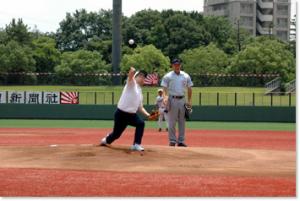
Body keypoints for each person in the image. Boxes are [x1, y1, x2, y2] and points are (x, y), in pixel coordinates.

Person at [100, 67, 150, 151]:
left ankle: (136, 144)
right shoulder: (131, 84)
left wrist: (148, 115)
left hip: (132, 116)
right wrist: (132, 72)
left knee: (141, 123)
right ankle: (106, 140)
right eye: (140, 76)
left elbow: (140, 107)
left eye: (144, 77)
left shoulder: (140, 92)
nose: (142, 78)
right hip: (121, 114)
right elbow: (130, 77)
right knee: (116, 135)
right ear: (136, 77)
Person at [161, 59, 193, 147]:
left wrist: (189, 100)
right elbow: (164, 88)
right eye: (175, 65)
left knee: (182, 121)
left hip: (182, 99)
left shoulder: (186, 75)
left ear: (180, 65)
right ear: (172, 66)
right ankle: (172, 140)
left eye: (178, 64)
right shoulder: (168, 76)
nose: (177, 66)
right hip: (172, 99)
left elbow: (190, 88)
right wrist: (165, 97)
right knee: (172, 121)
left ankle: (181, 141)